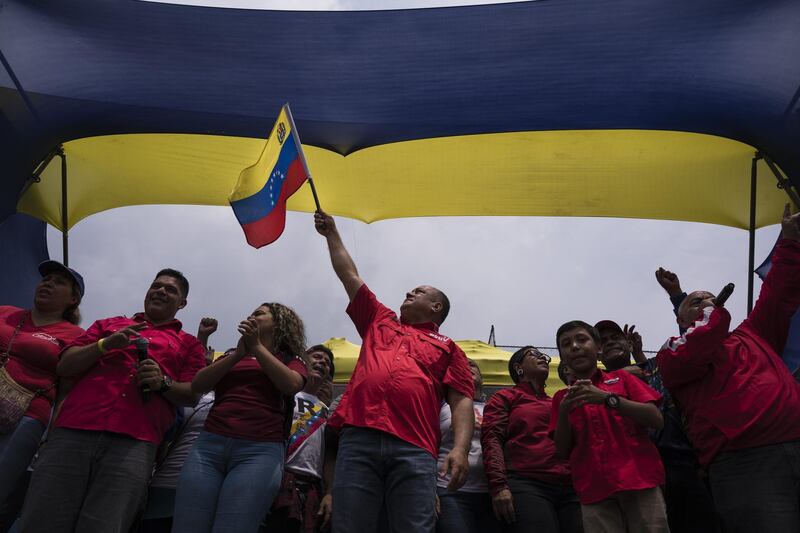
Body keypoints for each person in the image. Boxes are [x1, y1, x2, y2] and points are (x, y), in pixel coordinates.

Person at [313, 211, 474, 533]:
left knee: (413, 527)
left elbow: (462, 402)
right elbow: (351, 277)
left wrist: (459, 449)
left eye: (418, 291)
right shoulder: (379, 320)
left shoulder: (450, 348)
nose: (408, 293)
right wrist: (332, 233)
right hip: (359, 437)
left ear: (436, 307)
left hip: (415, 448)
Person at [17, 268, 206, 533]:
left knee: (103, 525)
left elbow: (192, 394)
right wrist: (104, 345)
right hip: (73, 431)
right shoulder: (107, 325)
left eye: (170, 289)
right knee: (41, 519)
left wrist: (162, 383)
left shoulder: (189, 345)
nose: (160, 291)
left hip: (135, 444)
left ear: (182, 303)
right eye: (156, 285)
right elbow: (65, 365)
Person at [656, 205, 800, 532]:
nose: (707, 301)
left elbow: (779, 293)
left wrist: (789, 240)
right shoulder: (672, 353)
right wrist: (713, 312)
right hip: (745, 461)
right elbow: (699, 341)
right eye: (696, 301)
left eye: (710, 298)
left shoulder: (753, 333)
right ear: (680, 320)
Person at [172, 302, 307, 533]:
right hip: (208, 447)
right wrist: (238, 355)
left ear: (279, 323)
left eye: (260, 313)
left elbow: (291, 384)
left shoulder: (290, 359)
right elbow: (198, 383)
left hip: (259, 451)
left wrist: (256, 347)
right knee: (187, 525)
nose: (251, 315)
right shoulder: (231, 354)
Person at [595, 319, 720, 533]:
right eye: (603, 341)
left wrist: (639, 356)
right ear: (597, 352)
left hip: (681, 464)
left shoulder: (657, 365)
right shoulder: (596, 387)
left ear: (629, 344)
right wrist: (622, 374)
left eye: (615, 338)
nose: (610, 343)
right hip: (636, 477)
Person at [551, 321, 668, 533]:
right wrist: (563, 413)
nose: (575, 346)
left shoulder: (623, 378)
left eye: (581, 339)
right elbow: (561, 450)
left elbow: (656, 419)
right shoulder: (561, 398)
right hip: (594, 491)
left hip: (640, 481)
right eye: (566, 344)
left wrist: (607, 399)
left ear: (598, 348)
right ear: (563, 357)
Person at [0, 261, 85, 521]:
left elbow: (67, 390)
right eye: (46, 279)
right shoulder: (5, 312)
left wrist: (54, 438)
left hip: (25, 418)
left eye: (59, 281)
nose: (48, 283)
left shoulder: (77, 336)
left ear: (73, 299)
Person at [482, 347, 579, 533]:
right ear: (519, 368)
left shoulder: (557, 401)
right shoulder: (505, 397)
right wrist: (498, 486)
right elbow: (492, 440)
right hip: (527, 484)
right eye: (534, 354)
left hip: (570, 486)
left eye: (543, 356)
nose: (542, 357)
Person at [138, 317, 220, 533]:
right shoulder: (196, 398)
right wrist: (202, 337)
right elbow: (193, 379)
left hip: (207, 489)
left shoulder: (239, 405)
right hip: (165, 483)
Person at [262, 344, 335, 533]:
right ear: (302, 362)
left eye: (327, 363)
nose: (322, 363)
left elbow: (328, 455)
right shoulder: (285, 394)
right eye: (317, 357)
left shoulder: (328, 411)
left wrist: (329, 492)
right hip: (275, 479)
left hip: (311, 488)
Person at [436, 359, 499, 533]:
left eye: (472, 365)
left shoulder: (495, 408)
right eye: (461, 366)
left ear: (482, 379)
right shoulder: (442, 406)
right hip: (449, 490)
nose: (467, 368)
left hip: (491, 494)